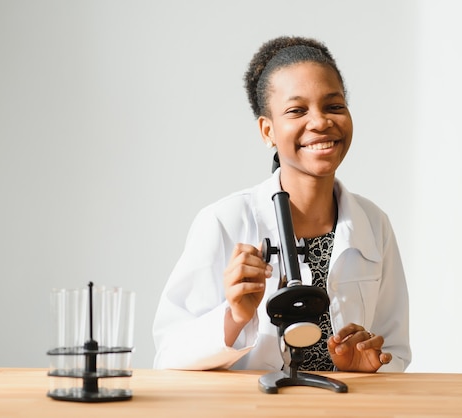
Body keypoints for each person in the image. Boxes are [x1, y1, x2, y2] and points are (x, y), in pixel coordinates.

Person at [153, 35, 411, 373]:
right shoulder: (225, 221)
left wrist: (367, 367)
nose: (320, 122)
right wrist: (235, 317)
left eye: (334, 106)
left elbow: (395, 350)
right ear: (267, 130)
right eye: (297, 110)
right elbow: (169, 355)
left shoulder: (374, 224)